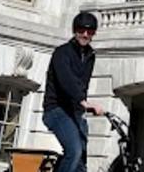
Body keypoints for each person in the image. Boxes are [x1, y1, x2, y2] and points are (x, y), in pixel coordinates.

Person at [44, 11, 103, 172]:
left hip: (76, 112)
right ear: (74, 31)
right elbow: (66, 81)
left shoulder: (91, 56)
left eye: (90, 31)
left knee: (81, 162)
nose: (85, 34)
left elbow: (83, 85)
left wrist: (84, 108)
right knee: (74, 151)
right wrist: (83, 101)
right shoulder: (62, 53)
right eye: (81, 30)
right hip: (56, 110)